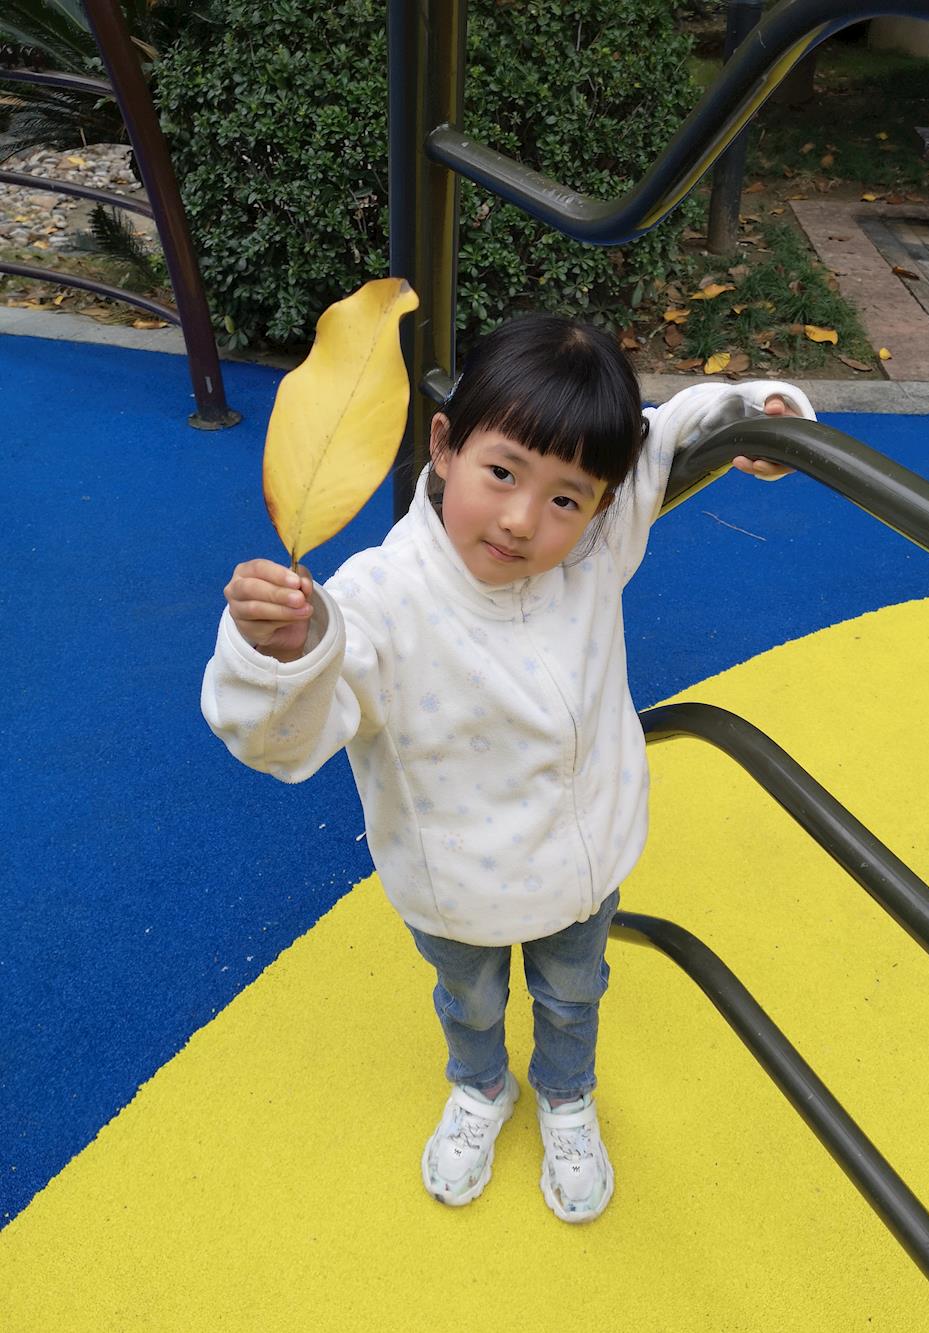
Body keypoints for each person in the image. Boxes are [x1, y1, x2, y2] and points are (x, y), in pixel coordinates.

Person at [202, 314, 815, 1223]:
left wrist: (754, 417)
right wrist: (283, 651)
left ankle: (566, 1095)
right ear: (444, 445)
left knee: (573, 994)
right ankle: (480, 1083)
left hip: (581, 864)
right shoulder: (377, 600)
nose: (525, 520)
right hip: (456, 883)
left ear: (600, 505)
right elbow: (280, 741)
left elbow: (665, 434)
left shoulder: (592, 547)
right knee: (471, 998)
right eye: (502, 474)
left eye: (567, 498)